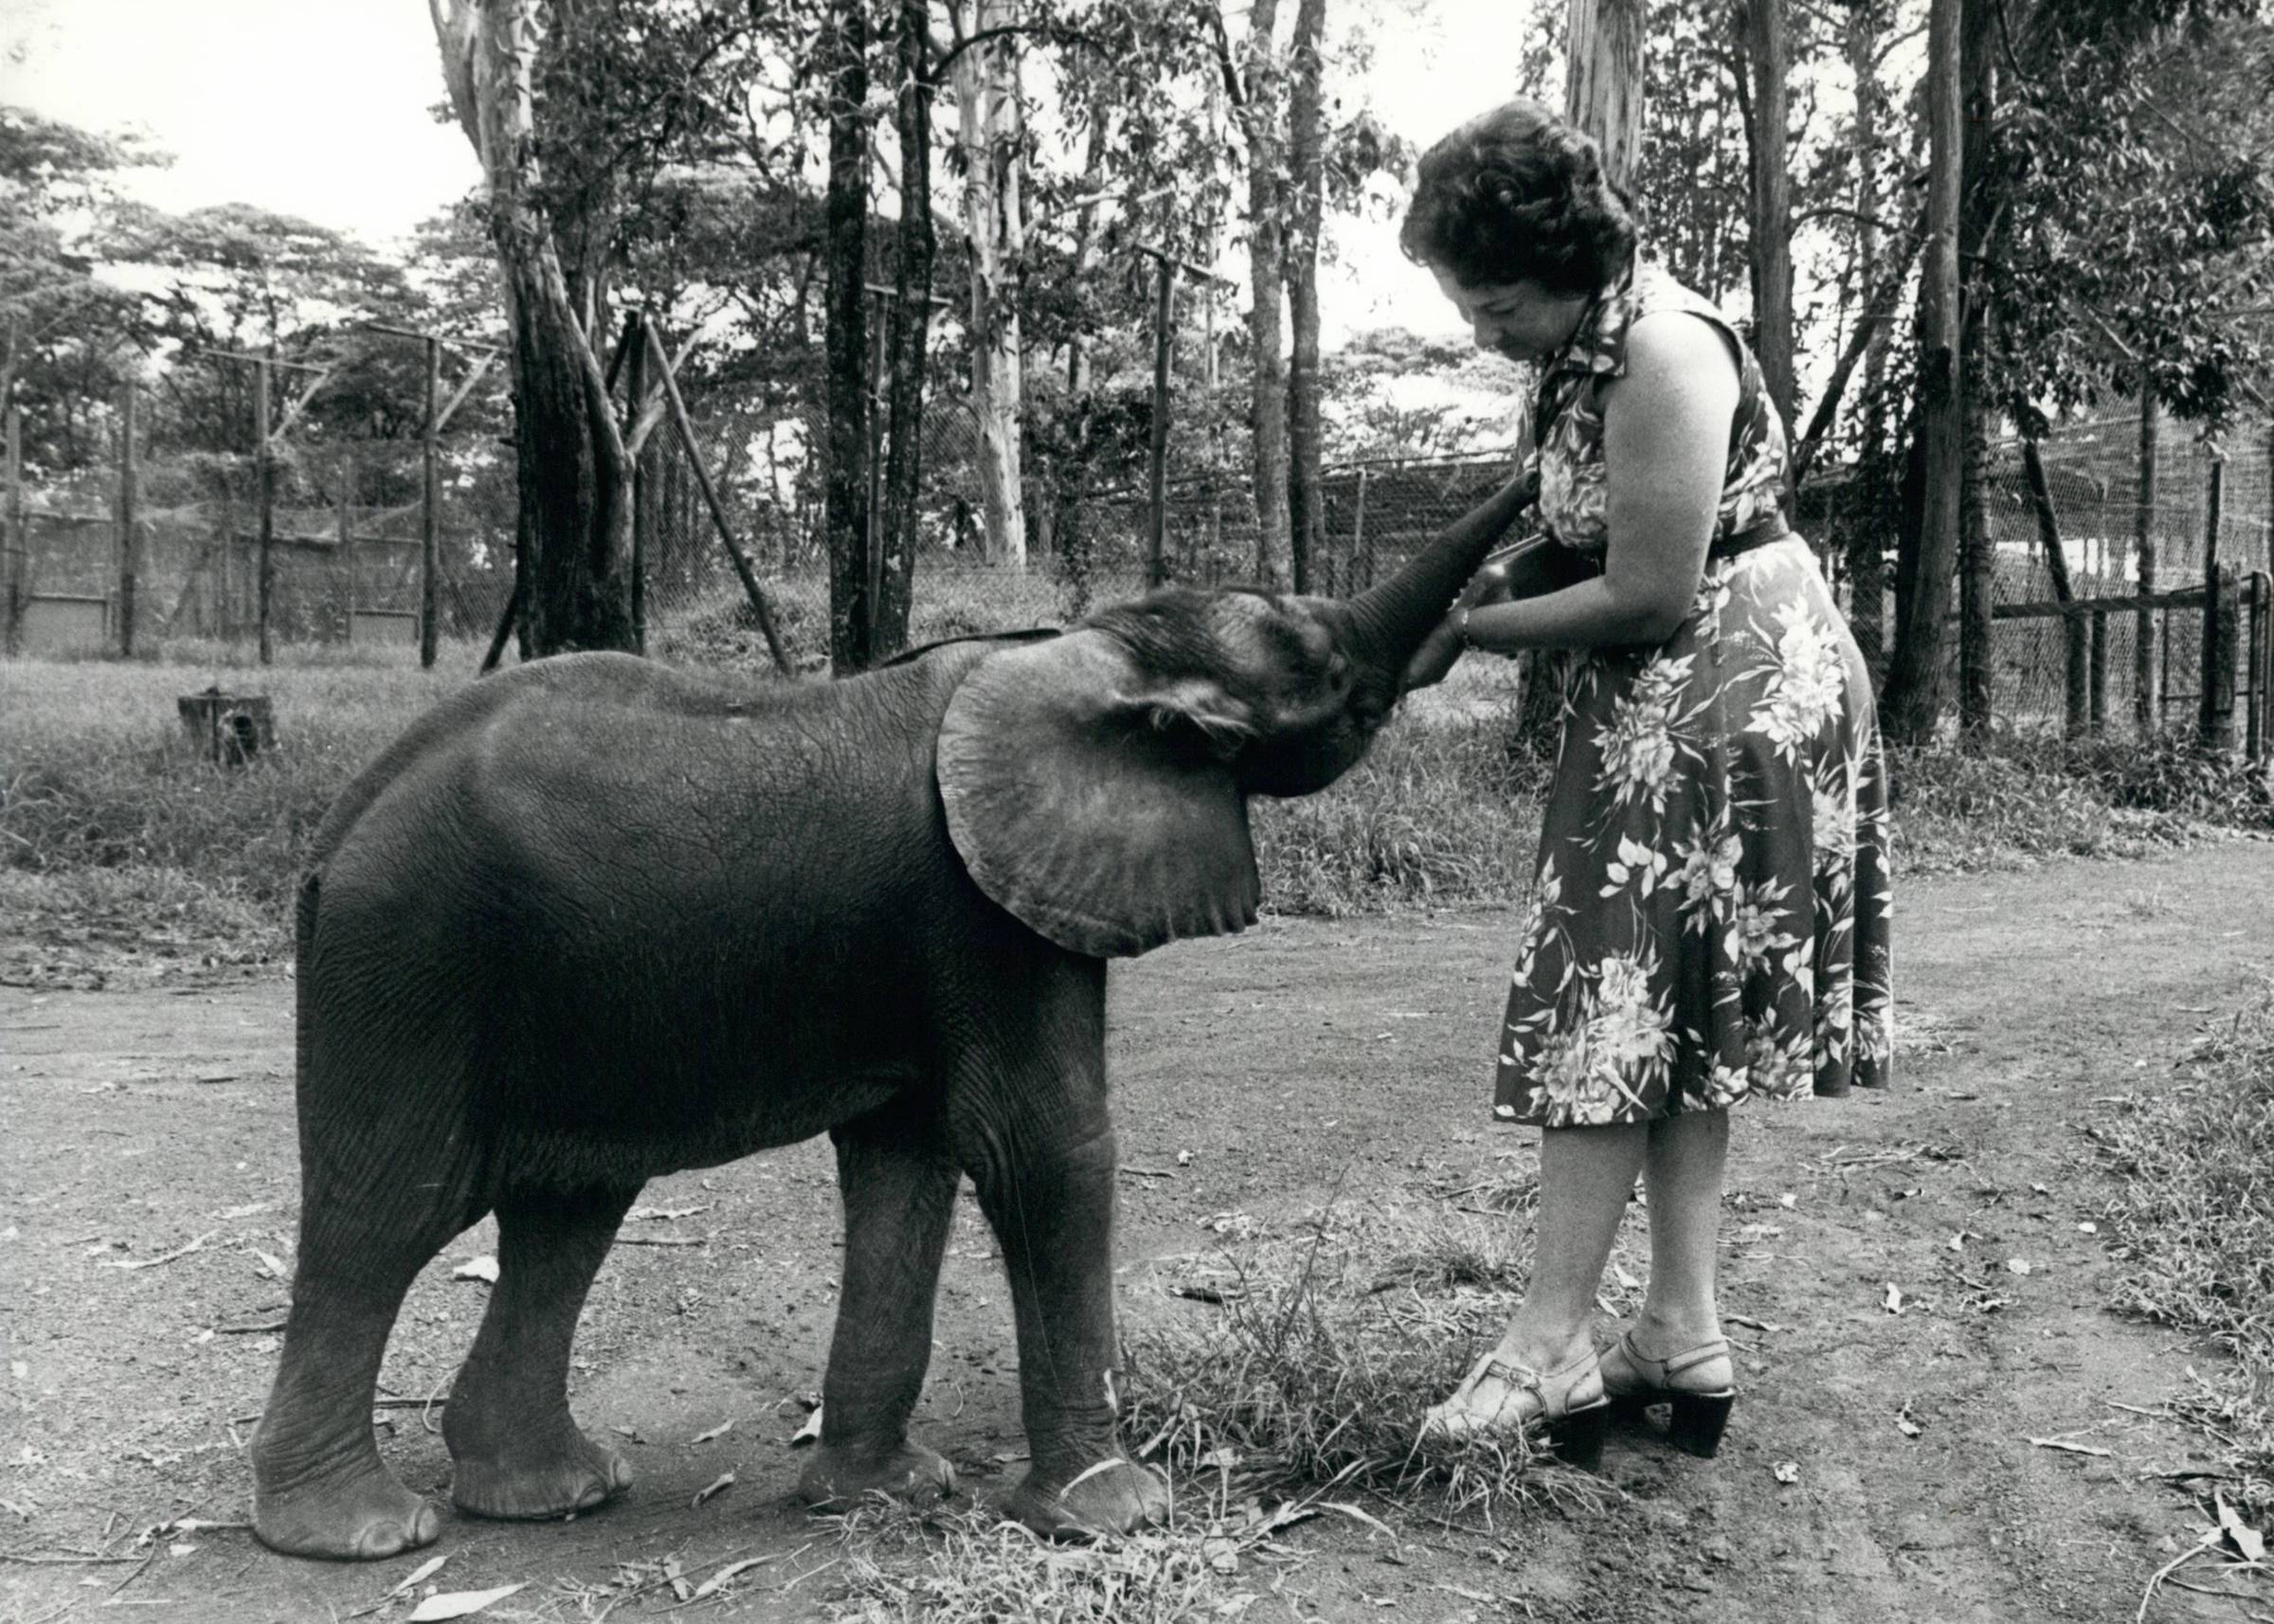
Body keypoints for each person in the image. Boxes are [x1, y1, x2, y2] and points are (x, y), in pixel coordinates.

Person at [1397, 99, 1893, 1468]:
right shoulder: (1581, 347)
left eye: (1493, 301)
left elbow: (1648, 584)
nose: (1480, 332)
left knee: (1608, 1011)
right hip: (1677, 693)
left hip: (1720, 693)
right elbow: (1589, 532)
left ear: (1560, 260)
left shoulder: (1663, 351)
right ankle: (1678, 1327)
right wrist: (1488, 585)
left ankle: (1552, 1341)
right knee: (1668, 1018)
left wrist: (1473, 632)